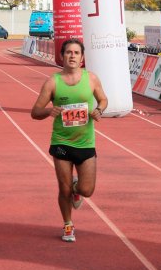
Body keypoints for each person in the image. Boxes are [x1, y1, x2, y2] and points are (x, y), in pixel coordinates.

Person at [31, 38, 108, 242]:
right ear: (62, 56)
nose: (72, 56)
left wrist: (99, 110)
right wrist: (49, 111)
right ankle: (68, 225)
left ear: (82, 58)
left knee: (87, 190)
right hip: (61, 142)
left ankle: (76, 190)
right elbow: (35, 111)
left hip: (85, 142)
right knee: (62, 188)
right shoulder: (52, 82)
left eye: (76, 53)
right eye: (68, 53)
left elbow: (103, 99)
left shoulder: (91, 79)